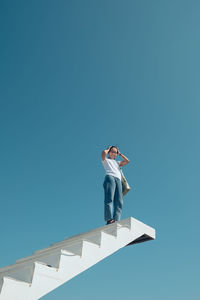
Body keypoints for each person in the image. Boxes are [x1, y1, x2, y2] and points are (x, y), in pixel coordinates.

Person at [101, 146, 130, 225]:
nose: (114, 153)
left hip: (118, 180)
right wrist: (108, 148)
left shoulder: (117, 162)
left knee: (119, 201)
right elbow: (103, 153)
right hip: (110, 178)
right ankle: (109, 219)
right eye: (112, 151)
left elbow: (127, 161)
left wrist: (120, 154)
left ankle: (116, 220)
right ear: (109, 152)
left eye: (115, 152)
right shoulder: (106, 160)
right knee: (109, 198)